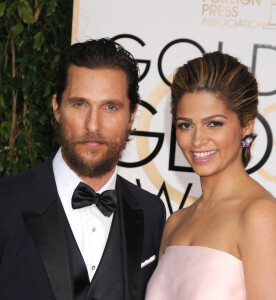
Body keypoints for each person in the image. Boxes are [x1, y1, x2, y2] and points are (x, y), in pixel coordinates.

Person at [0, 38, 165, 300]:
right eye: (80, 104)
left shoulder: (151, 212)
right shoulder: (5, 203)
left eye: (110, 107)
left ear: (132, 115)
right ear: (57, 107)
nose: (92, 125)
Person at [145, 52, 276, 300]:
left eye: (213, 123)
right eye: (186, 125)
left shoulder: (259, 214)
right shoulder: (175, 222)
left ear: (246, 124)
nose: (197, 140)